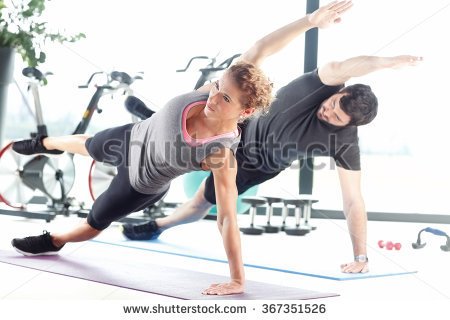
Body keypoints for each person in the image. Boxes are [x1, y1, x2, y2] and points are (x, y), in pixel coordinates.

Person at [122, 0, 423, 276]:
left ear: (348, 125)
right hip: (243, 126)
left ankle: (158, 226)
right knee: (198, 109)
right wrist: (385, 62)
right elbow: (347, 66)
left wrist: (361, 256)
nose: (327, 110)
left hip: (256, 164)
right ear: (339, 92)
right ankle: (153, 117)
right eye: (332, 103)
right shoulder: (325, 84)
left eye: (335, 117)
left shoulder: (345, 142)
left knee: (201, 202)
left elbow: (353, 201)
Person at [10, 45, 274, 299]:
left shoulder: (220, 154)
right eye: (218, 86)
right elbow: (258, 48)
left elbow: (227, 218)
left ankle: (56, 240)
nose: (214, 97)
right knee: (89, 144)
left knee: (94, 223)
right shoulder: (209, 93)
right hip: (132, 137)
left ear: (246, 111)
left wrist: (237, 279)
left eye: (226, 98)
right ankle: (46, 143)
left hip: (140, 183)